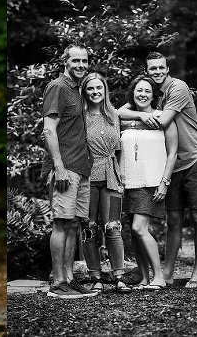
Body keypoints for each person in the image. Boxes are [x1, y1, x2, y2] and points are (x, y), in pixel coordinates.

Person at [118, 52, 197, 289]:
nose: (157, 72)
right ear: (147, 70)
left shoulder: (177, 87)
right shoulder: (153, 94)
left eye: (161, 68)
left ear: (167, 69)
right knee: (173, 218)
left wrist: (135, 119)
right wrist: (140, 113)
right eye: (153, 69)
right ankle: (167, 273)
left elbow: (162, 122)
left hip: (193, 158)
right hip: (171, 166)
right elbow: (118, 112)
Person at [42, 44, 96, 299]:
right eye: (76, 61)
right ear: (65, 61)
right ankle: (58, 282)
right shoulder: (58, 87)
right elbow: (49, 130)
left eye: (84, 61)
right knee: (61, 223)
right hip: (66, 168)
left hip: (81, 167)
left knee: (74, 224)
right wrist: (59, 167)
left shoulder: (77, 90)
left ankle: (69, 278)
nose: (81, 65)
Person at [118, 75, 177, 290]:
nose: (142, 94)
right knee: (134, 233)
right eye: (138, 90)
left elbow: (172, 153)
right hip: (127, 182)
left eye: (147, 91)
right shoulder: (126, 116)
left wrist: (165, 183)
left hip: (151, 181)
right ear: (133, 93)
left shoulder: (163, 118)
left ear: (154, 95)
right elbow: (117, 113)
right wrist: (141, 118)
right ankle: (144, 278)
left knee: (139, 228)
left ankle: (159, 277)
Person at [77, 73, 131, 293]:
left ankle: (119, 276)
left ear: (105, 90)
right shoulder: (80, 116)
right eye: (91, 88)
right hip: (88, 178)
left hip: (112, 177)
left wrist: (121, 177)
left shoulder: (113, 114)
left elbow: (119, 150)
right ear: (85, 91)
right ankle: (95, 276)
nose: (95, 92)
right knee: (88, 228)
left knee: (113, 227)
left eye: (99, 88)